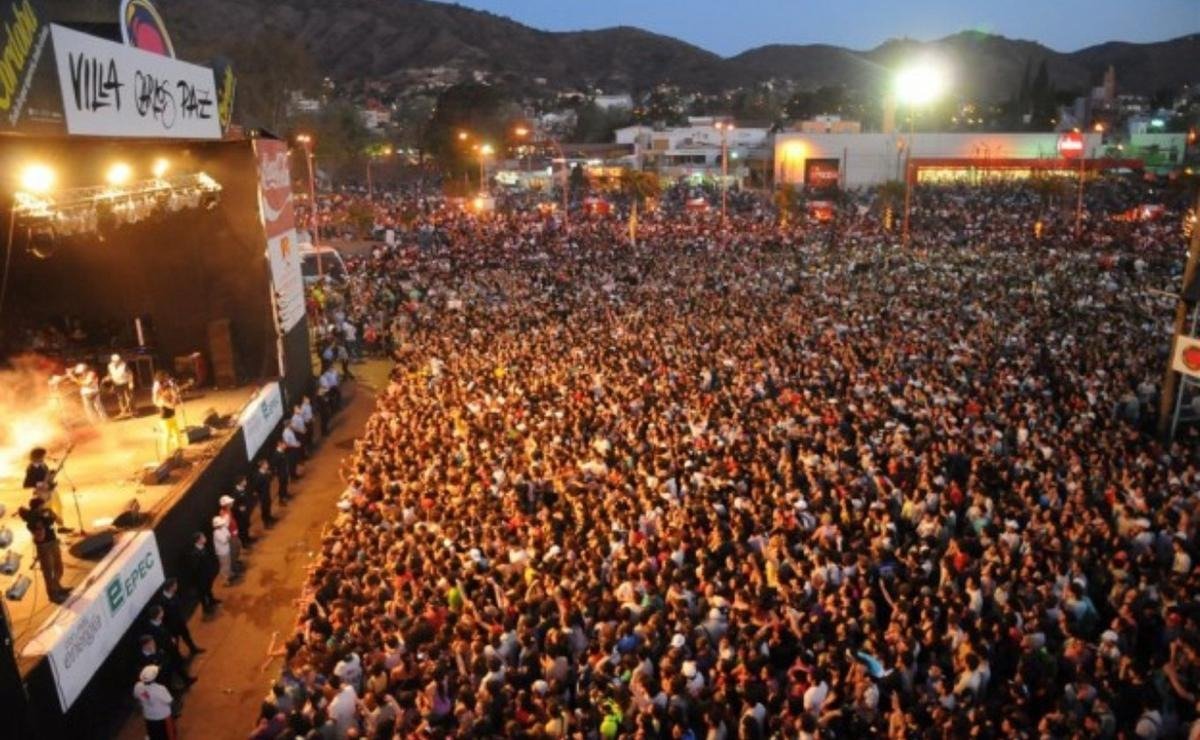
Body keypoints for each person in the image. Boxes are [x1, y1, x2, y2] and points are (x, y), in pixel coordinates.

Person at [17, 496, 68, 602]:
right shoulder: (33, 518)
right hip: (44, 546)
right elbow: (40, 535)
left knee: (58, 567)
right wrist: (42, 522)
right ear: (38, 506)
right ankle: (53, 596)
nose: (44, 507)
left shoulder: (45, 513)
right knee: (49, 572)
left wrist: (52, 516)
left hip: (53, 542)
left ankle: (58, 587)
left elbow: (59, 521)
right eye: (42, 505)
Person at [156, 578, 203, 657]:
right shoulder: (162, 601)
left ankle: (193, 649)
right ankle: (179, 658)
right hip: (172, 627)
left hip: (180, 622)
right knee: (175, 643)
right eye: (175, 585)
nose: (176, 586)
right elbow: (164, 616)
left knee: (187, 636)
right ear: (170, 587)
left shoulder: (173, 594)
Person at [23, 447, 67, 528]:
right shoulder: (31, 468)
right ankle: (48, 528)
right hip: (42, 493)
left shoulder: (43, 465)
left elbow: (45, 477)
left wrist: (51, 475)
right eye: (43, 456)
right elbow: (26, 484)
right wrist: (42, 485)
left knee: (59, 506)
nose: (44, 457)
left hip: (50, 490)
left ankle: (61, 527)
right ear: (37, 457)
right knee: (47, 511)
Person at [133, 665, 176, 740]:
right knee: (169, 735)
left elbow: (137, 698)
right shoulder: (160, 688)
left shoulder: (137, 686)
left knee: (154, 735)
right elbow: (170, 701)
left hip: (148, 716)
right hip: (163, 716)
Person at [184, 531, 220, 615]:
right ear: (198, 540)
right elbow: (195, 568)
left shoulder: (203, 547)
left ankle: (211, 600)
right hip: (201, 578)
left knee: (208, 589)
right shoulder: (194, 554)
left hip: (207, 575)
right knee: (202, 594)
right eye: (203, 537)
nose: (205, 538)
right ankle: (206, 609)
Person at [152, 371, 185, 456]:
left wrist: (174, 396)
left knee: (176, 433)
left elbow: (174, 395)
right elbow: (165, 403)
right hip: (165, 418)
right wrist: (171, 402)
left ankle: (178, 450)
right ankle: (166, 453)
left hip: (172, 415)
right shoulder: (159, 393)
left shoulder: (169, 386)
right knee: (166, 434)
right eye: (166, 377)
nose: (168, 378)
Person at [107, 353, 136, 417]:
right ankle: (123, 411)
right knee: (120, 398)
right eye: (115, 361)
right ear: (112, 361)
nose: (117, 362)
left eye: (118, 361)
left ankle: (132, 411)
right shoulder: (110, 366)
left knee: (129, 397)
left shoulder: (124, 365)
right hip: (116, 383)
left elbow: (130, 374)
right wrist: (110, 380)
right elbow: (110, 374)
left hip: (125, 382)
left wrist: (131, 383)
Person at [251, 457, 277, 525]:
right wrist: (257, 493)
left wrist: (268, 474)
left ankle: (269, 517)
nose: (268, 465)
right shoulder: (258, 476)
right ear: (262, 466)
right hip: (262, 495)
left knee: (268, 505)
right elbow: (255, 486)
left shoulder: (265, 473)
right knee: (264, 507)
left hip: (266, 492)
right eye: (266, 464)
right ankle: (266, 522)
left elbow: (269, 480)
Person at [211, 515, 235, 587]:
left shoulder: (223, 528)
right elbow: (224, 540)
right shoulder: (216, 533)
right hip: (222, 552)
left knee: (228, 563)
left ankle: (229, 574)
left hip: (226, 550)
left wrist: (227, 537)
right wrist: (228, 537)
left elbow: (228, 535)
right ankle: (225, 580)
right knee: (224, 566)